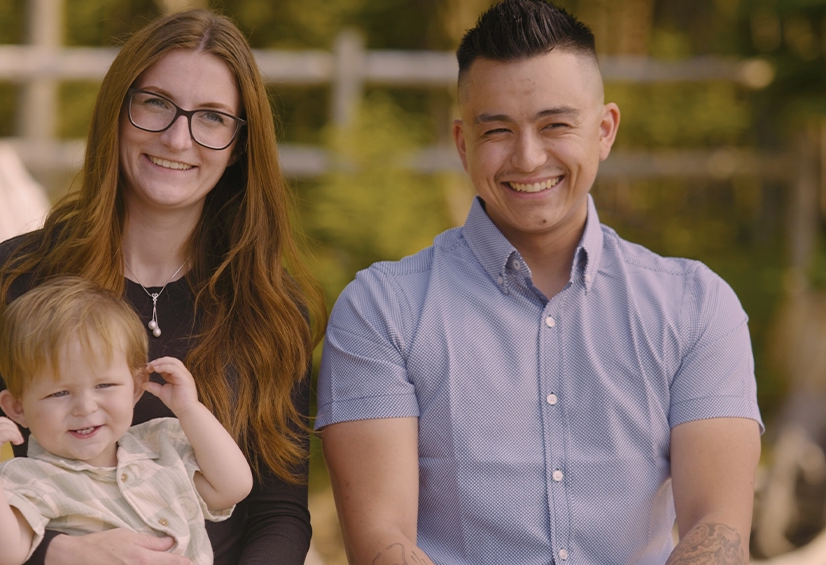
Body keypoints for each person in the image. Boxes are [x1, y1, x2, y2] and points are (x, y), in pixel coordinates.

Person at [316, 1, 762, 564]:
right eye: (497, 129)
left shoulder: (695, 307)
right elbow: (383, 541)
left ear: (604, 131)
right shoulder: (382, 311)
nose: (528, 158)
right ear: (462, 143)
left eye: (555, 125)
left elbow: (715, 526)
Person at [0, 8, 323, 565]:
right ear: (118, 110)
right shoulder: (14, 277)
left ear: (240, 143)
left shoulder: (272, 307)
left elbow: (280, 511)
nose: (179, 139)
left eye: (211, 117)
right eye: (156, 103)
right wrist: (61, 556)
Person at [0, 276, 252, 565]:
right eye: (59, 392)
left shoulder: (160, 449)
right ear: (17, 408)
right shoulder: (28, 479)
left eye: (104, 386)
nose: (84, 407)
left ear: (137, 386)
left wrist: (190, 409)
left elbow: (232, 487)